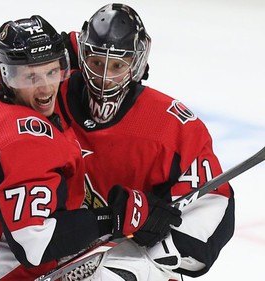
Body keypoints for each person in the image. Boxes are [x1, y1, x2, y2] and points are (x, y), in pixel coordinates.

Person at [0, 15, 127, 281]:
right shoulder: (25, 141)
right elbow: (34, 244)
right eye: (30, 78)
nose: (46, 87)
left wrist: (79, 44)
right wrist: (114, 218)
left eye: (52, 71)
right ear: (8, 76)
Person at [55, 3, 235, 280]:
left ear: (136, 63)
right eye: (97, 63)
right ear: (83, 57)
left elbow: (214, 202)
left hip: (128, 256)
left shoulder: (171, 128)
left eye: (117, 65)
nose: (105, 78)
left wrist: (161, 239)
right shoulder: (50, 99)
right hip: (51, 247)